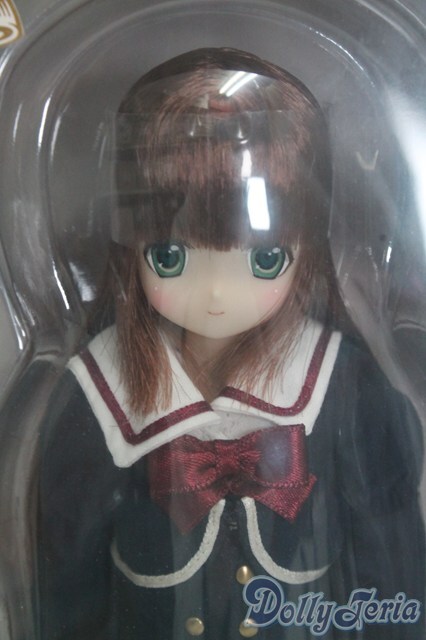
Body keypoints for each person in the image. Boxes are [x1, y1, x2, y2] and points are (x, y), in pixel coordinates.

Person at [38, 48, 424, 639]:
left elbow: (388, 564)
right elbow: (66, 580)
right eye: (169, 256)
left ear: (307, 249)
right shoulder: (98, 394)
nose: (216, 293)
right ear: (129, 246)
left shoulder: (341, 386)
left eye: (265, 259)